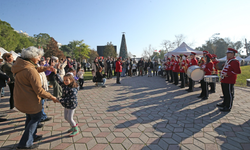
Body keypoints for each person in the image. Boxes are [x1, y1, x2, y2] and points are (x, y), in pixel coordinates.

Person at [12, 46, 58, 149]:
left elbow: (33, 69)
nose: (39, 59)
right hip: (31, 101)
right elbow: (39, 90)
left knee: (30, 118)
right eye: (38, 56)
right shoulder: (30, 70)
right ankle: (25, 144)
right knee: (36, 118)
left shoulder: (21, 65)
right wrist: (52, 97)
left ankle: (32, 136)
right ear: (32, 57)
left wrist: (45, 68)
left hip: (23, 99)